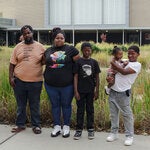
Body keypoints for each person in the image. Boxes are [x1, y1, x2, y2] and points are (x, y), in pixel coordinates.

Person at [43, 27, 80, 138]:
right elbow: (43, 62)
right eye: (57, 38)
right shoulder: (48, 50)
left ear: (64, 39)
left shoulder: (71, 50)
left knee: (66, 105)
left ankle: (66, 126)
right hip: (50, 85)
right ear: (53, 39)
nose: (59, 40)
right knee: (55, 105)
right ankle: (57, 126)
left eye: (61, 38)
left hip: (67, 85)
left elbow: (78, 64)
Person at [9, 25, 45, 134]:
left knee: (34, 104)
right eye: (24, 33)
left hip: (35, 82)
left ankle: (36, 125)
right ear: (22, 35)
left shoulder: (40, 47)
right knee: (21, 105)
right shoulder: (17, 47)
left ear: (32, 33)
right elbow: (12, 64)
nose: (27, 35)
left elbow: (45, 62)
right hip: (19, 81)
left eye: (28, 33)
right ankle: (20, 125)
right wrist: (11, 77)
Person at [106, 45, 141, 146]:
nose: (130, 55)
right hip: (113, 91)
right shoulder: (125, 60)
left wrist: (113, 63)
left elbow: (124, 72)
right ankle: (114, 133)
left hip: (123, 94)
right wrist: (109, 77)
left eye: (133, 53)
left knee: (127, 115)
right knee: (113, 114)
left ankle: (129, 136)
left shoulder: (137, 65)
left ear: (138, 54)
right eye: (129, 53)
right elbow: (114, 61)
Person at [73, 42, 101, 140]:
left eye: (89, 50)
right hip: (80, 90)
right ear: (82, 51)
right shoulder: (78, 62)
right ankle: (79, 130)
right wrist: (75, 91)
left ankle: (90, 129)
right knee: (80, 110)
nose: (87, 52)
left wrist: (97, 91)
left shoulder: (94, 62)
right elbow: (75, 77)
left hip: (90, 91)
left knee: (90, 110)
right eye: (85, 50)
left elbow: (97, 77)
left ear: (91, 51)